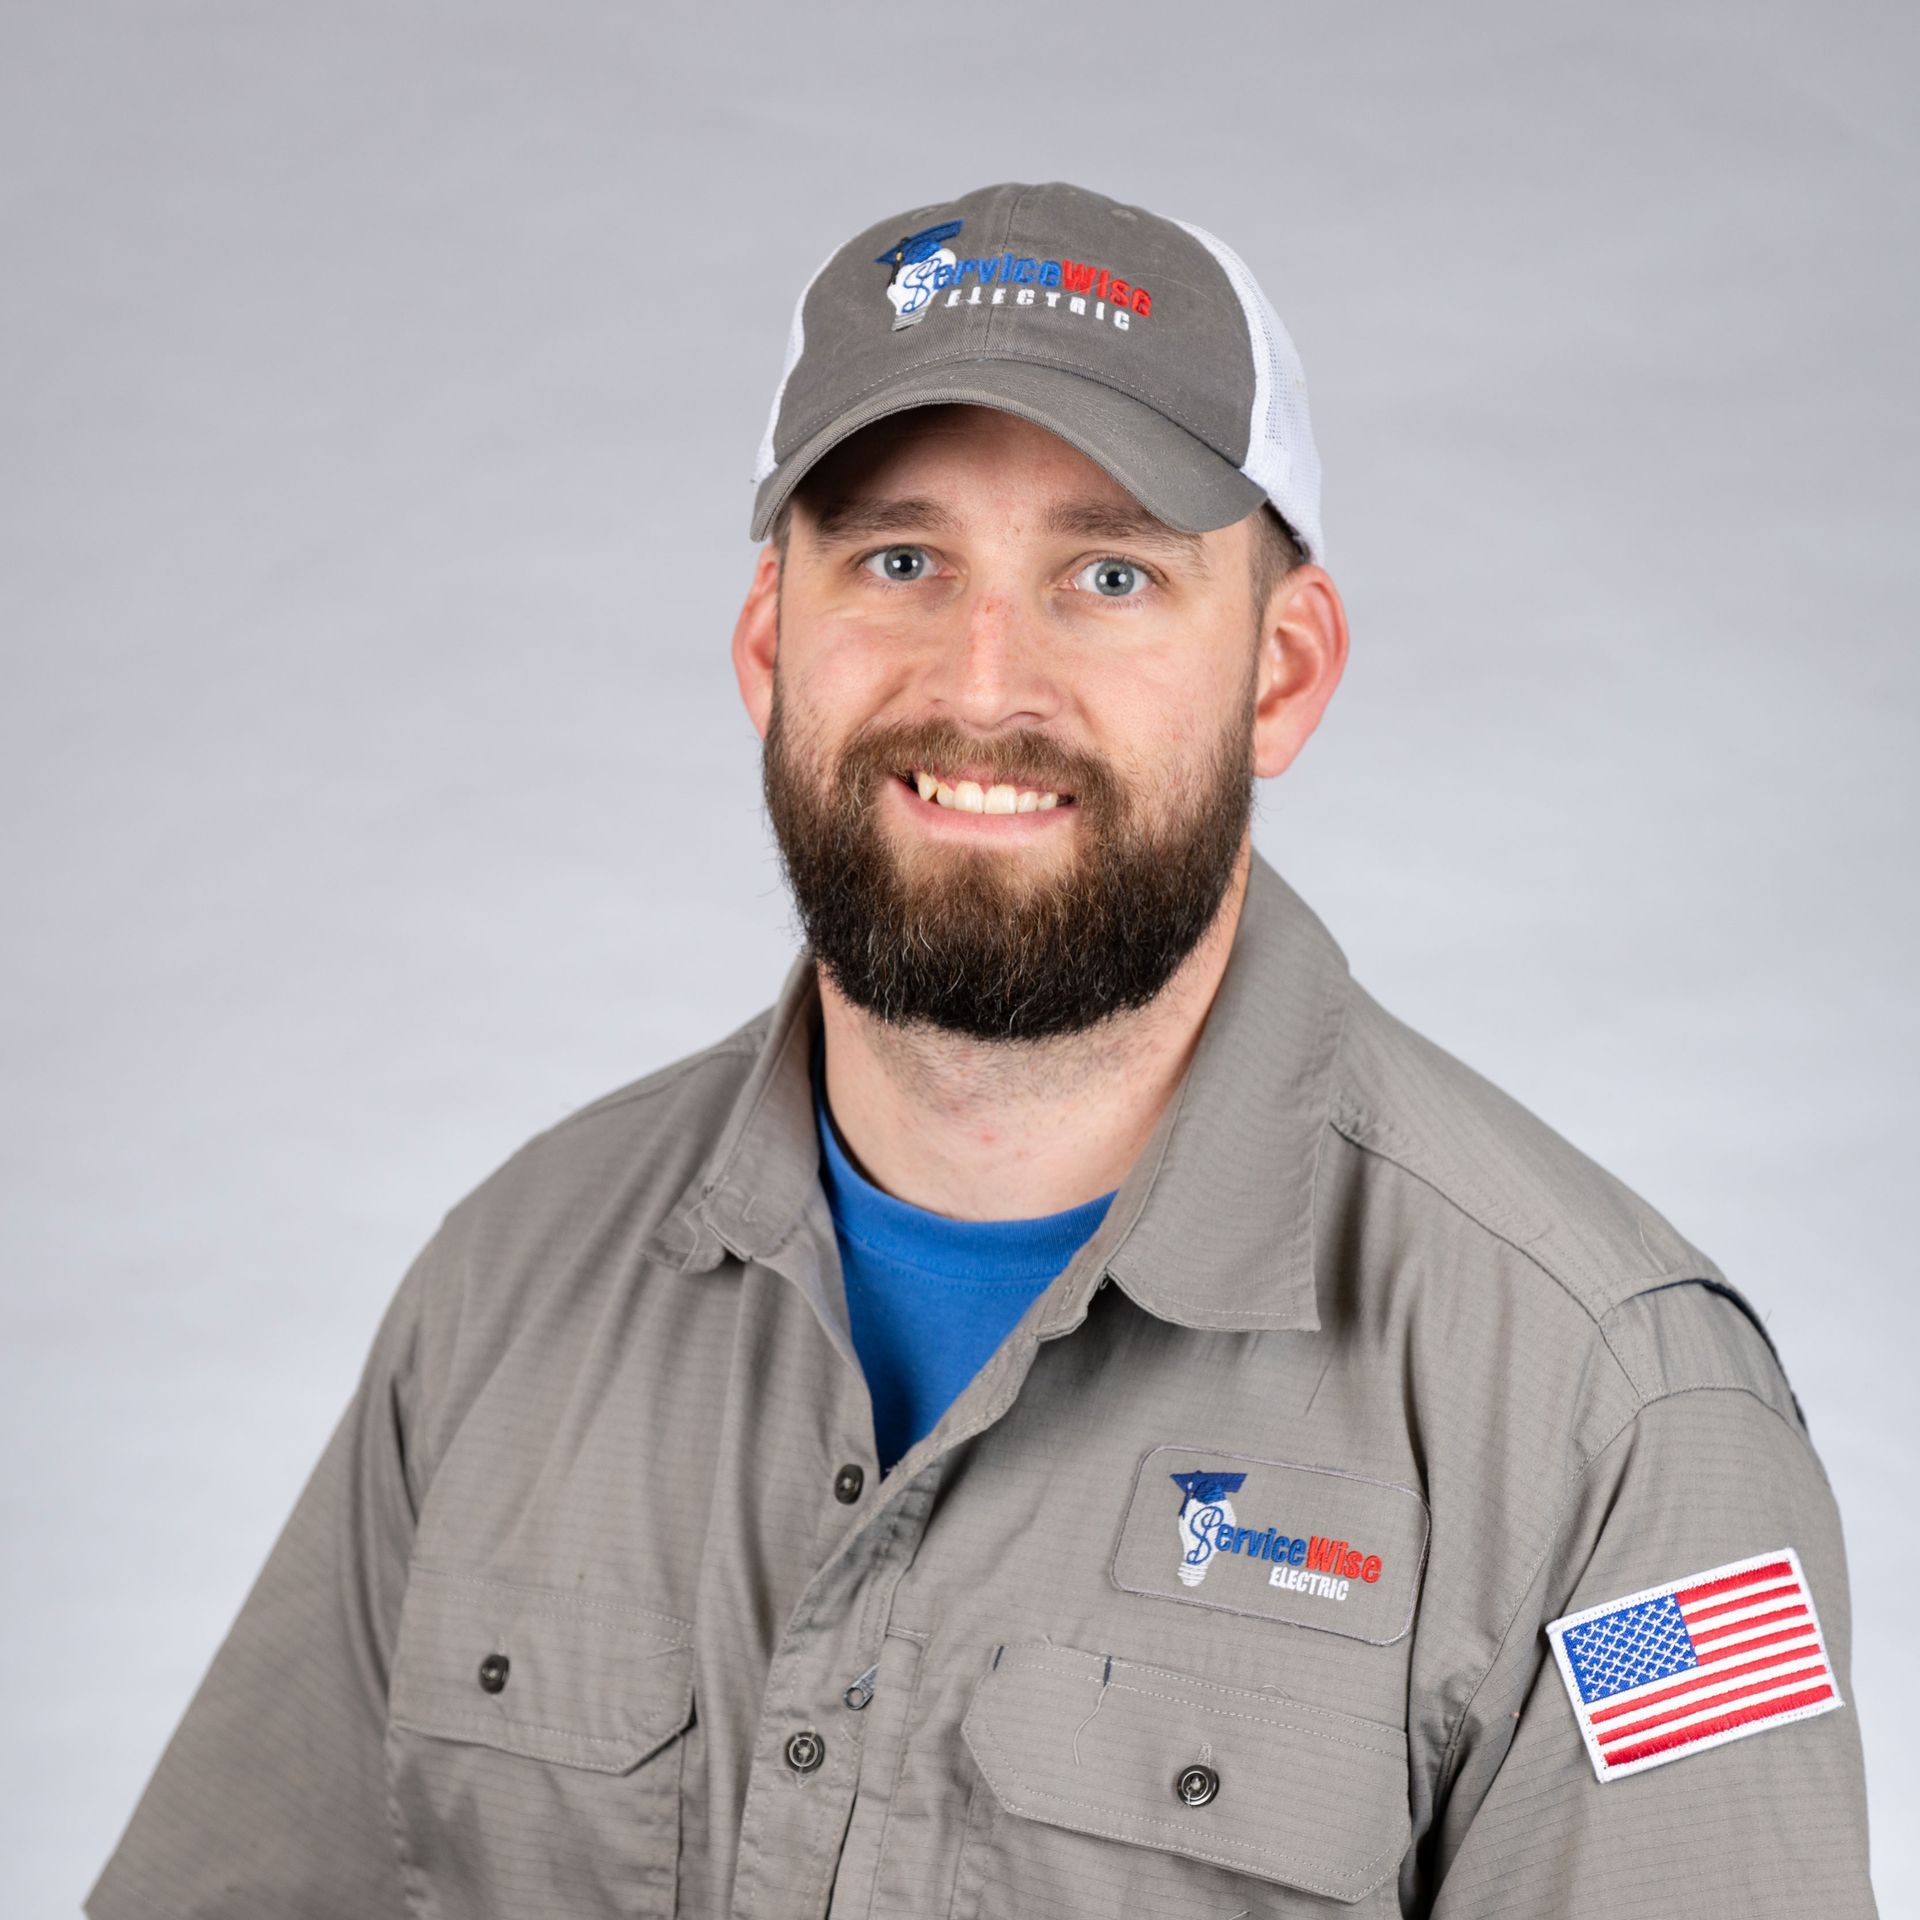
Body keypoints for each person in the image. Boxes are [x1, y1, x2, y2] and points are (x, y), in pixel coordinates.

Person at [86, 179, 1876, 1919]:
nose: (983, 682)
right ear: (769, 644)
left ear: (1281, 672)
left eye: (1109, 571)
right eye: (901, 560)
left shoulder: (1620, 1420)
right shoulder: (512, 1288)